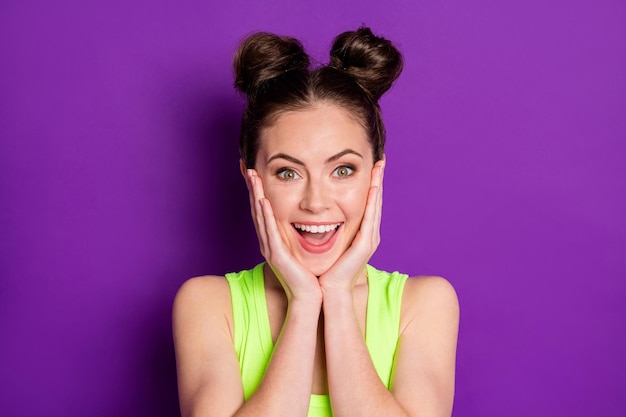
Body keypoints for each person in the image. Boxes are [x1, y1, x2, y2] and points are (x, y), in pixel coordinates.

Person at [172, 26, 459, 417]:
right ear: (250, 177)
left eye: (342, 170)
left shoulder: (424, 304)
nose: (316, 202)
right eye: (288, 173)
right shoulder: (208, 305)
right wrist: (305, 303)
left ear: (376, 175)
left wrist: (337, 296)